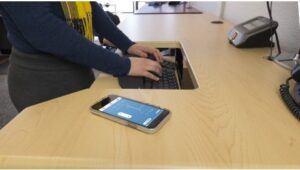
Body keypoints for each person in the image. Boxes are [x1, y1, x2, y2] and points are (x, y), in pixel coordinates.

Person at [0, 2, 163, 112]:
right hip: (42, 83)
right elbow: (46, 31)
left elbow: (90, 6)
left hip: (78, 69)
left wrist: (127, 44)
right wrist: (123, 65)